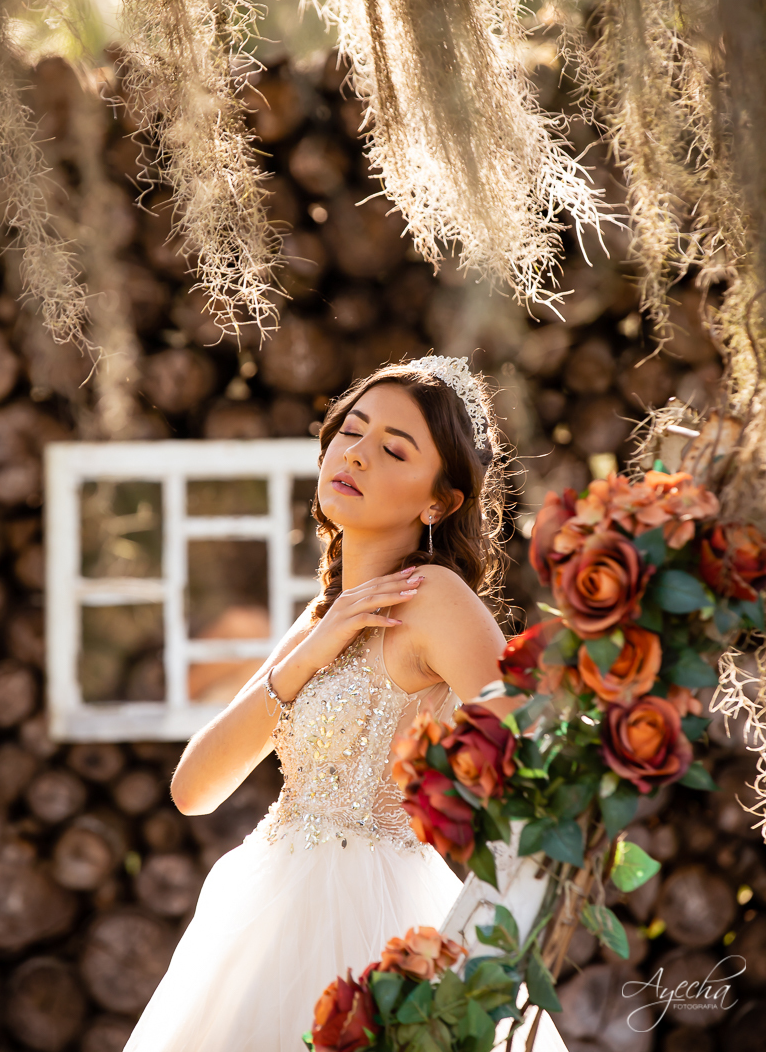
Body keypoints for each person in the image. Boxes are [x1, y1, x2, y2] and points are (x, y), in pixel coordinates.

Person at [123, 356, 568, 1052]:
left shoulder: (435, 598)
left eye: (393, 449)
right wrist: (312, 648)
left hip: (376, 913)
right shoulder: (322, 615)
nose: (355, 454)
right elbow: (193, 790)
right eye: (350, 432)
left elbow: (537, 767)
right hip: (263, 906)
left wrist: (483, 941)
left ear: (439, 501)